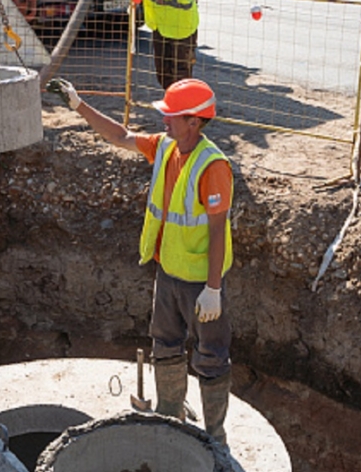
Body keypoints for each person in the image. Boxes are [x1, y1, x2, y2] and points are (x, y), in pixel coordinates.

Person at [46, 76, 234, 445]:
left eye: (172, 116)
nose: (165, 121)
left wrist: (213, 288)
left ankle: (214, 437)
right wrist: (77, 104)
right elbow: (120, 136)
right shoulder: (166, 146)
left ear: (194, 121)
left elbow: (216, 230)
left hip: (200, 281)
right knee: (165, 344)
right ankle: (170, 417)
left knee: (210, 356)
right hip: (167, 271)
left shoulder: (213, 167)